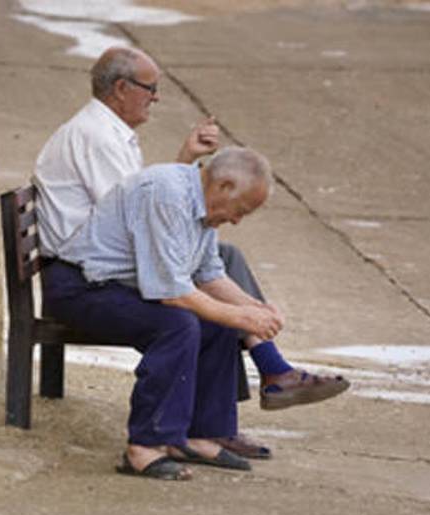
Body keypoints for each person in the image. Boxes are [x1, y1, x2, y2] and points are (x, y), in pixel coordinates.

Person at [33, 46, 348, 438]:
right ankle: (265, 370)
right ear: (120, 88)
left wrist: (188, 160)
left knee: (217, 264)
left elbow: (147, 206)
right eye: (150, 88)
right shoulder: (96, 137)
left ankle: (234, 405)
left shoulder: (111, 133)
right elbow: (133, 213)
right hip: (86, 271)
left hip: (105, 259)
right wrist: (242, 315)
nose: (156, 97)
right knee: (195, 307)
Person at [44, 148, 294, 480]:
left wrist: (254, 308)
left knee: (217, 321)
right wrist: (242, 319)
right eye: (241, 210)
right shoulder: (167, 195)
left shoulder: (200, 201)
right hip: (81, 288)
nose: (236, 220)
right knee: (178, 325)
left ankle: (200, 435)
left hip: (116, 287)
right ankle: (145, 447)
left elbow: (209, 274)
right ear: (224, 186)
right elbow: (172, 292)